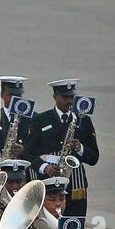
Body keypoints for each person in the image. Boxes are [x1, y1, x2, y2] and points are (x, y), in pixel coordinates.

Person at [24, 79, 98, 218]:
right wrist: (45, 167)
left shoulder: (83, 120)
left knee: (74, 225)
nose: (69, 101)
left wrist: (80, 148)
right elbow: (28, 153)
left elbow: (94, 157)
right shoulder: (41, 120)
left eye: (72, 97)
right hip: (49, 181)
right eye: (65, 97)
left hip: (75, 183)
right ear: (55, 97)